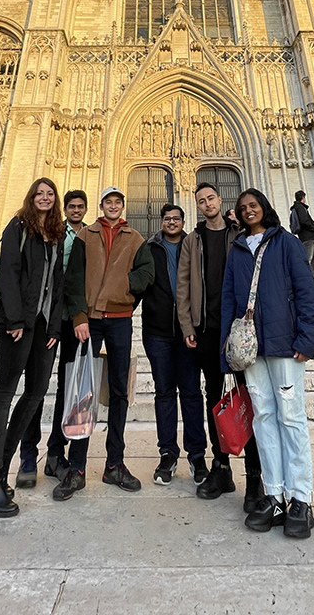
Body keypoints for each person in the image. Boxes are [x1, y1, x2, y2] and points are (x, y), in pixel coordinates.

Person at [222, 189, 314, 538]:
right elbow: (228, 302)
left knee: (291, 417)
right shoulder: (237, 251)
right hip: (252, 350)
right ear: (237, 214)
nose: (249, 211)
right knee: (263, 418)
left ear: (265, 208)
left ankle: (301, 498)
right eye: (242, 208)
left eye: (254, 206)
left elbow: (306, 290)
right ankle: (275, 494)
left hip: (285, 344)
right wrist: (227, 352)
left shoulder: (287, 243)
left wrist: (308, 338)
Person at [56, 186, 155, 501]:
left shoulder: (135, 238)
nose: (113, 206)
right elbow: (73, 277)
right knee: (82, 390)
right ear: (101, 206)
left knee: (118, 392)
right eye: (108, 202)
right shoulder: (87, 235)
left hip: (120, 320)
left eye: (118, 202)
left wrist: (126, 289)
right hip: (90, 321)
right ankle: (77, 468)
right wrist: (78, 316)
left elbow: (147, 273)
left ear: (122, 207)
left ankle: (115, 463)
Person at [0, 178, 65, 518]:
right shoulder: (18, 226)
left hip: (44, 326)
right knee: (5, 393)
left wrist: (55, 325)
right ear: (31, 198)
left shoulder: (55, 232)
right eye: (39, 194)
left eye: (49, 194)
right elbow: (9, 273)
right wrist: (13, 319)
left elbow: (56, 283)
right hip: (17, 323)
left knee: (37, 391)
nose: (44, 198)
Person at [177, 181, 263, 511]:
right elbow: (183, 285)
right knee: (215, 399)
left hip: (239, 330)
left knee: (248, 397)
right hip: (207, 330)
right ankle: (222, 466)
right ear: (196, 205)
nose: (207, 203)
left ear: (220, 200)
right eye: (201, 200)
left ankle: (254, 475)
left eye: (211, 198)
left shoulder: (239, 234)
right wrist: (187, 325)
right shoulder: (192, 240)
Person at [15, 189, 88, 489]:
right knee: (36, 388)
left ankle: (56, 454)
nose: (75, 210)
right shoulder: (51, 233)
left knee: (68, 389)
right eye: (70, 206)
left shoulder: (89, 234)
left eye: (80, 207)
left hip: (71, 320)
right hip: (44, 320)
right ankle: (28, 455)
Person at [143, 204, 208, 486]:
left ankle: (197, 455)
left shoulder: (195, 245)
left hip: (188, 332)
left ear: (184, 221)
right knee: (165, 393)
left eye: (176, 218)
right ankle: (168, 454)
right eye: (167, 218)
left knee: (192, 393)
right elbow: (137, 282)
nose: (171, 222)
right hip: (157, 332)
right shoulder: (149, 247)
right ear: (162, 221)